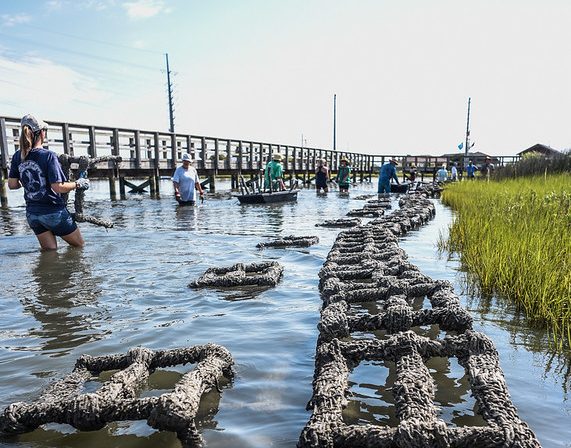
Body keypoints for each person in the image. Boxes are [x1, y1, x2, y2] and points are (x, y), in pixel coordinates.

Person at [8, 114, 89, 250]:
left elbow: (12, 184)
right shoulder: (48, 155)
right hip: (53, 212)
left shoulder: (17, 156)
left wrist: (29, 182)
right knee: (80, 247)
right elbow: (58, 187)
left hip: (32, 214)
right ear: (41, 133)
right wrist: (78, 183)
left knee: (50, 252)